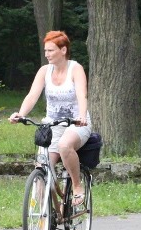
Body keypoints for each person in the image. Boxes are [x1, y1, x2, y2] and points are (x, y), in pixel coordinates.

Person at [9, 30, 92, 206]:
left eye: (51, 50)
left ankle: (77, 186)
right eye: (45, 51)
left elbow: (81, 95)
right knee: (42, 168)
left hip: (75, 123)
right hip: (52, 125)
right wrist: (21, 114)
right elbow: (32, 96)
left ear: (63, 50)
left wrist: (82, 116)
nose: (46, 54)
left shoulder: (75, 69)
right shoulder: (44, 71)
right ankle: (45, 220)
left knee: (64, 145)